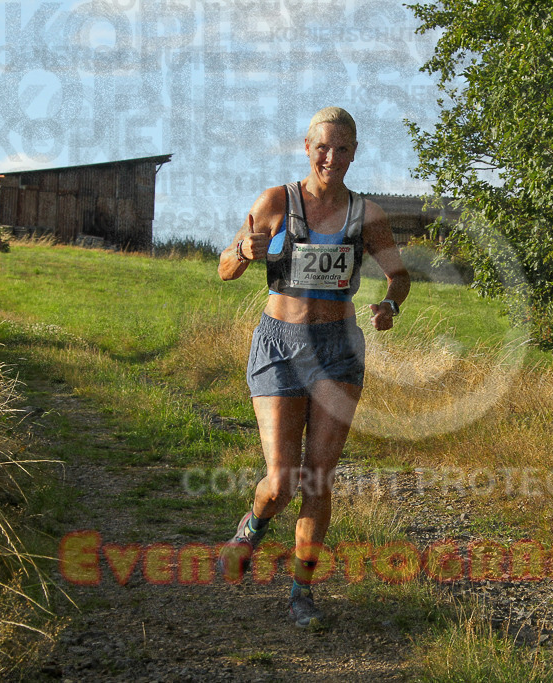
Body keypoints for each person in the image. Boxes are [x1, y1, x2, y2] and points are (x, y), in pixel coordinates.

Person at [217, 107, 410, 628]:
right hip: (280, 345)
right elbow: (225, 268)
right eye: (323, 147)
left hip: (339, 349)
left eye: (342, 149)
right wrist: (244, 250)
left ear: (354, 153)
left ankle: (302, 593)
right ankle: (252, 527)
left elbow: (398, 275)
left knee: (318, 480)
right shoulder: (277, 201)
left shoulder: (367, 214)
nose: (332, 158)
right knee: (281, 482)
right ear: (307, 148)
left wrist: (391, 305)